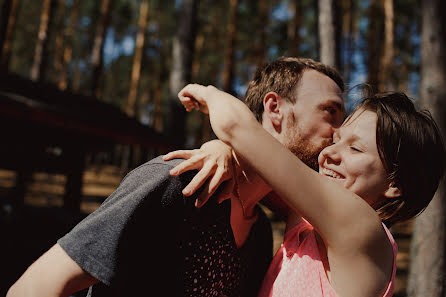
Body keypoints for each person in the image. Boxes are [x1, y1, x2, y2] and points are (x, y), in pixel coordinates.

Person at [7, 57, 346, 297]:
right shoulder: (178, 183)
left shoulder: (258, 234)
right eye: (330, 111)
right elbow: (36, 286)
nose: (340, 132)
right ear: (274, 109)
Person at [174, 84, 445, 297]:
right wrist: (223, 150)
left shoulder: (362, 227)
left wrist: (208, 94)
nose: (329, 153)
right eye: (336, 140)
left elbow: (237, 128)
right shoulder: (307, 222)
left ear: (394, 183)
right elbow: (255, 179)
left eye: (355, 148)